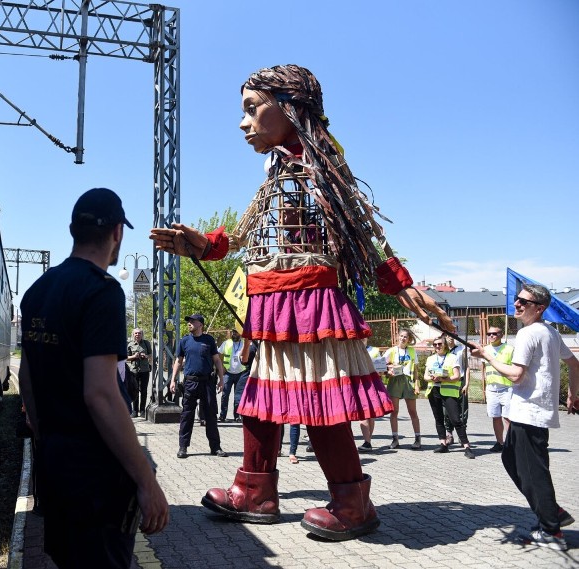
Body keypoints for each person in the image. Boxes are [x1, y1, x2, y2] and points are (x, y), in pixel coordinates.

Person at [150, 64, 453, 541]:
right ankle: (255, 492)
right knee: (260, 403)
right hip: (272, 302)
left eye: (253, 109)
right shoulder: (278, 168)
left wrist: (402, 285)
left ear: (289, 107)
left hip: (308, 302)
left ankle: (353, 502)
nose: (243, 122)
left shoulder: (320, 165)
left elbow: (361, 234)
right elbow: (248, 232)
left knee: (318, 403)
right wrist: (203, 245)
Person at [19, 188, 169, 568]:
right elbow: (100, 395)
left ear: (73, 229)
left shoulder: (38, 291)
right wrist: (146, 482)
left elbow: (28, 376)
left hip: (54, 467)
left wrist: (45, 435)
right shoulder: (102, 293)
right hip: (95, 480)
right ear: (117, 232)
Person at [471, 284, 579, 551]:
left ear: (539, 308)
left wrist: (487, 355)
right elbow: (575, 364)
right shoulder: (550, 332)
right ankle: (552, 512)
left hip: (530, 413)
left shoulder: (529, 333)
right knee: (511, 460)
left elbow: (516, 375)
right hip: (530, 413)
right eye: (517, 300)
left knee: (534, 474)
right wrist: (572, 395)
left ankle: (552, 531)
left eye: (524, 302)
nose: (517, 305)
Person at [170, 314, 228, 458]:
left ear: (200, 324)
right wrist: (172, 380)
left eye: (192, 321)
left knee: (211, 416)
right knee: (187, 416)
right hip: (190, 383)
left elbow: (217, 361)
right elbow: (178, 361)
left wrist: (221, 379)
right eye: (188, 321)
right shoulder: (184, 341)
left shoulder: (209, 340)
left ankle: (215, 448)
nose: (189, 323)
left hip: (207, 383)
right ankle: (183, 447)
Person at [424, 337, 474, 458]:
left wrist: (442, 379)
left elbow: (457, 376)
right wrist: (431, 378)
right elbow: (425, 376)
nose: (437, 346)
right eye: (435, 344)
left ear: (445, 345)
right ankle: (443, 444)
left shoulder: (452, 357)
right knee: (439, 418)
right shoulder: (430, 359)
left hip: (448, 391)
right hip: (434, 390)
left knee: (456, 419)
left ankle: (466, 446)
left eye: (439, 344)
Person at [382, 330, 423, 450]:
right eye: (401, 336)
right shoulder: (391, 351)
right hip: (395, 381)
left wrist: (417, 384)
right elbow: (381, 365)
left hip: (408, 382)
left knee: (412, 412)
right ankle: (395, 439)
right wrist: (388, 371)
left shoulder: (411, 351)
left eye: (405, 337)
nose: (403, 338)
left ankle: (417, 438)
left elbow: (415, 370)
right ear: (397, 337)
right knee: (394, 412)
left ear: (409, 339)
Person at [480, 326, 513, 452]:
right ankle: (500, 442)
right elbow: (483, 368)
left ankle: (511, 443)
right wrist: (483, 384)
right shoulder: (485, 350)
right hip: (491, 388)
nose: (491, 336)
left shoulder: (509, 349)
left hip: (507, 387)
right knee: (495, 416)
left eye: (494, 334)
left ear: (501, 335)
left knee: (508, 417)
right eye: (489, 334)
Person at [358, 341, 387, 452]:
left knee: (371, 415)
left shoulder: (374, 350)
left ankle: (368, 441)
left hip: (373, 384)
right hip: (359, 384)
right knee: (363, 414)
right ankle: (367, 441)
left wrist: (381, 371)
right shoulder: (354, 349)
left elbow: (381, 368)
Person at [443, 335, 470, 446]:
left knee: (462, 408)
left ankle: (462, 434)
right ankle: (449, 433)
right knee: (446, 409)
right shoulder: (442, 350)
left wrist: (467, 383)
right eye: (448, 335)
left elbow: (467, 367)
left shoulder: (461, 349)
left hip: (460, 380)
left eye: (453, 335)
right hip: (446, 381)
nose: (450, 338)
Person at [218, 328, 246, 422]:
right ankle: (222, 415)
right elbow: (218, 355)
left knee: (238, 396)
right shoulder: (226, 343)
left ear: (240, 333)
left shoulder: (244, 344)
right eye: (233, 332)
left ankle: (237, 416)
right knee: (225, 394)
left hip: (241, 373)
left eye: (236, 332)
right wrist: (221, 369)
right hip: (228, 373)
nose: (234, 334)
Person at [126, 328, 153, 417]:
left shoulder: (146, 343)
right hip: (133, 371)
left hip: (144, 370)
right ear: (133, 335)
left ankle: (142, 410)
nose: (137, 335)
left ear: (142, 334)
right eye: (136, 333)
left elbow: (151, 355)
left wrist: (145, 356)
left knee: (144, 390)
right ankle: (135, 410)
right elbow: (126, 358)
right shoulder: (130, 345)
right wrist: (134, 356)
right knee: (134, 390)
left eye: (139, 333)